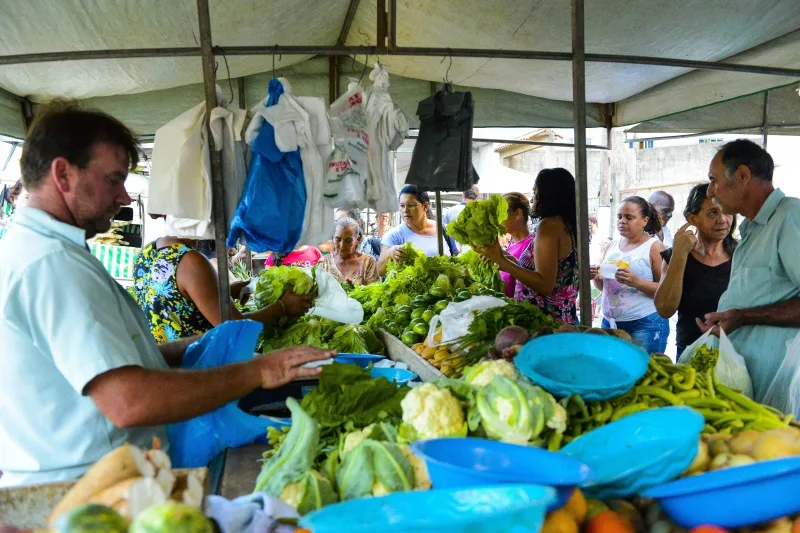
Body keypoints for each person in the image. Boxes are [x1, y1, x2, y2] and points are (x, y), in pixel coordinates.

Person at [0, 103, 331, 487]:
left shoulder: (39, 251)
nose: (124, 197)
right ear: (63, 174)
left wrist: (192, 346)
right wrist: (260, 370)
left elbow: (93, 365)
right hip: (88, 489)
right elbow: (128, 401)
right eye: (113, 180)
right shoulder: (52, 263)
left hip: (90, 479)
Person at [697, 139, 800, 403]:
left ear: (743, 176)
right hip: (750, 378)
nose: (711, 191)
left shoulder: (790, 217)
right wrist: (731, 318)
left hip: (780, 382)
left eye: (714, 180)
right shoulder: (752, 230)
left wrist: (743, 316)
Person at [134, 236, 314, 343]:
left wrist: (225, 291)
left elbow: (177, 302)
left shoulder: (146, 252)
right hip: (195, 369)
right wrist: (282, 307)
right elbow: (234, 327)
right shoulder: (190, 260)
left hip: (163, 363)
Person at [479, 169, 579, 324]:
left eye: (535, 193)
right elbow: (537, 270)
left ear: (548, 195)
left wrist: (503, 263)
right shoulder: (566, 224)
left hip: (545, 322)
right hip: (558, 319)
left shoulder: (549, 226)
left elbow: (545, 284)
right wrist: (499, 254)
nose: (532, 200)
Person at [654, 183, 737, 356]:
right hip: (690, 351)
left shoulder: (742, 254)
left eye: (727, 211)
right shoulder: (675, 256)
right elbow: (664, 309)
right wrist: (679, 255)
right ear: (692, 219)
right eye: (713, 212)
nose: (723, 219)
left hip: (735, 349)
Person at [591, 196, 669, 353]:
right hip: (610, 322)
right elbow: (605, 288)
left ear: (644, 220)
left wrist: (636, 281)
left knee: (644, 372)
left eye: (629, 217)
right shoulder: (612, 245)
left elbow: (667, 293)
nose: (622, 221)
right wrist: (596, 277)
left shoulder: (655, 248)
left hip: (644, 325)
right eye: (619, 217)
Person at [378, 185, 451, 275]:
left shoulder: (444, 230)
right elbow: (380, 271)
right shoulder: (394, 235)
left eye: (411, 205)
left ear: (425, 206)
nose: (405, 210)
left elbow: (456, 260)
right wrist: (391, 253)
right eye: (402, 205)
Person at [319, 217, 380, 286]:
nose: (342, 245)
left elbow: (375, 292)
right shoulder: (324, 263)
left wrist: (358, 287)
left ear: (357, 239)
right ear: (333, 238)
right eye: (338, 239)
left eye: (348, 241)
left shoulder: (368, 262)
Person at [497, 192, 533, 298]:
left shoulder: (531, 245)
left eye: (501, 213)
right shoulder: (512, 242)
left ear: (517, 214)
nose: (498, 220)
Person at [442, 186, 479, 252]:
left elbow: (443, 230)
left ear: (463, 195)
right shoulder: (479, 212)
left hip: (454, 252)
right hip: (476, 252)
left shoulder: (450, 211)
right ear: (476, 198)